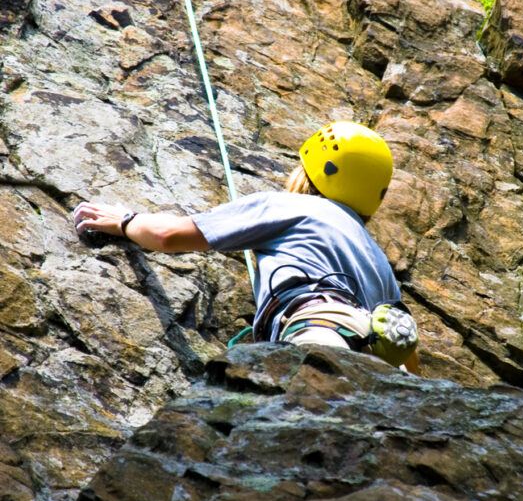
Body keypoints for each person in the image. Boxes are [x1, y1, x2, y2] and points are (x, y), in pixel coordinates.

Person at [73, 121, 419, 373]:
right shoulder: (378, 260)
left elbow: (168, 236)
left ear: (313, 173)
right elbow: (410, 362)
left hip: (320, 330)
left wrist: (125, 221)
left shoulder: (288, 206)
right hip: (377, 359)